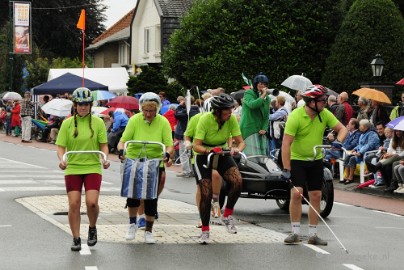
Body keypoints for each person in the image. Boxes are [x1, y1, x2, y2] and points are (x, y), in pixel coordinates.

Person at [282, 84, 347, 246]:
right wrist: (286, 168)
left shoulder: (324, 114)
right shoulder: (296, 116)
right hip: (297, 160)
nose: (325, 102)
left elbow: (342, 129)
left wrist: (339, 141)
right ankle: (295, 232)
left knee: (316, 195)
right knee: (297, 194)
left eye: (325, 99)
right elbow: (286, 144)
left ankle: (313, 234)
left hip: (315, 159)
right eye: (322, 100)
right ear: (312, 102)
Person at [56, 87, 110, 252]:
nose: (83, 107)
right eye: (80, 104)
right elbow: (60, 147)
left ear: (90, 105)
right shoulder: (67, 123)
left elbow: (104, 146)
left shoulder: (98, 122)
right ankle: (76, 237)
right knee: (74, 203)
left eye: (86, 104)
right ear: (75, 105)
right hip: (73, 167)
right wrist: (62, 160)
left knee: (92, 203)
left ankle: (92, 227)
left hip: (92, 166)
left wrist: (104, 159)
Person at [117, 92, 174, 244]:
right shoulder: (135, 120)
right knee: (133, 195)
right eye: (146, 111)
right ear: (141, 109)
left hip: (155, 161)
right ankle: (132, 224)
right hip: (135, 159)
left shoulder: (163, 122)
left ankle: (149, 231)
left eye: (152, 111)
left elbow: (169, 144)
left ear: (157, 110)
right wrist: (121, 151)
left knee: (151, 198)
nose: (148, 114)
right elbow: (123, 141)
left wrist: (167, 154)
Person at [192, 94, 245, 244]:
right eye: (227, 110)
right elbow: (196, 145)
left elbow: (241, 142)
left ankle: (227, 215)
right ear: (218, 110)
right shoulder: (205, 119)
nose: (230, 112)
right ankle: (205, 231)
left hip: (222, 152)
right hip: (204, 154)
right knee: (206, 192)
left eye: (231, 109)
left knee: (237, 181)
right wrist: (208, 151)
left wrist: (235, 149)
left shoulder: (231, 119)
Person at [239, 72, 270, 156]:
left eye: (265, 84)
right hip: (249, 129)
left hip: (260, 131)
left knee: (261, 155)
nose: (263, 85)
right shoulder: (248, 93)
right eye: (261, 83)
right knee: (250, 155)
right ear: (256, 84)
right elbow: (253, 105)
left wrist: (264, 128)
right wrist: (263, 95)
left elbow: (267, 115)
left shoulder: (267, 98)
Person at [342, 119, 379, 184]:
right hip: (361, 153)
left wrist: (360, 152)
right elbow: (360, 144)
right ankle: (348, 176)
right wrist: (355, 149)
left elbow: (369, 145)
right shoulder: (362, 134)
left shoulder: (372, 134)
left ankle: (350, 177)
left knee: (352, 158)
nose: (359, 127)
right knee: (349, 157)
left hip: (369, 153)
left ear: (365, 127)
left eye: (360, 126)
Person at [174, 95, 200, 177]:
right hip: (195, 135)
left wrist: (180, 105)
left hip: (185, 134)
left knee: (184, 153)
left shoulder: (187, 111)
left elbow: (177, 114)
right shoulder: (197, 110)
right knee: (191, 154)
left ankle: (186, 171)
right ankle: (192, 170)